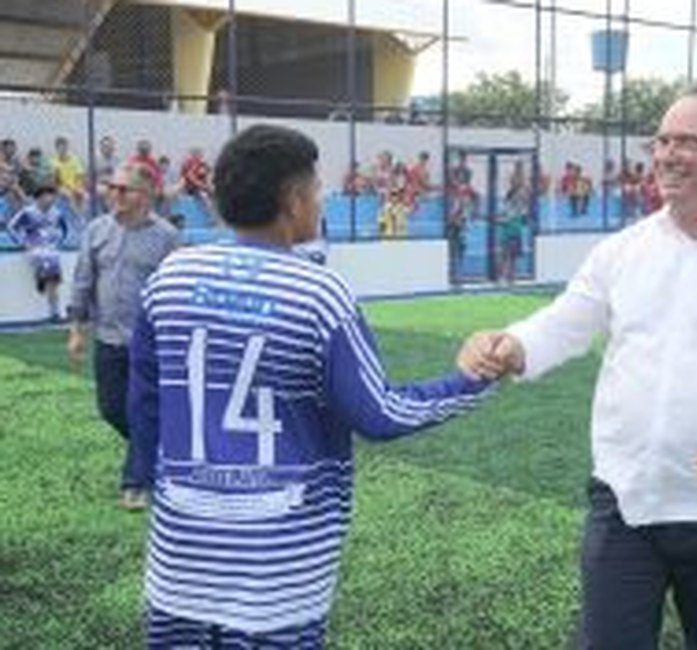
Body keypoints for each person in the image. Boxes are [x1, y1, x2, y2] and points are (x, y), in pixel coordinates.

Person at [459, 84, 697, 649]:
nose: (667, 154)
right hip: (626, 500)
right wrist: (509, 344)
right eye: (662, 140)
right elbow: (566, 321)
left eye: (689, 141)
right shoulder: (625, 249)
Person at [127, 123, 493, 649]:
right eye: (317, 189)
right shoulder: (317, 293)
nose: (320, 200)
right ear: (292, 200)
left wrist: (158, 478)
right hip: (277, 572)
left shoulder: (170, 277)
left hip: (180, 559)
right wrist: (468, 382)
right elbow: (379, 414)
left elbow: (144, 403)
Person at [67, 162, 181, 510]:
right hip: (108, 338)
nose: (113, 194)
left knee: (141, 407)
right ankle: (162, 452)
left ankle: (136, 484)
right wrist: (76, 330)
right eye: (111, 187)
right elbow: (83, 281)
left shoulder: (167, 237)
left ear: (145, 195)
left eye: (122, 189)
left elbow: (175, 289)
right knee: (112, 409)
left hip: (150, 343)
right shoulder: (96, 230)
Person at [7, 185, 69, 321]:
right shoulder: (28, 212)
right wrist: (22, 242)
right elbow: (11, 227)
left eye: (53, 196)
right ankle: (53, 307)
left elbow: (65, 229)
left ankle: (53, 309)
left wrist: (60, 242)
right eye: (48, 195)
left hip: (50, 249)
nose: (51, 199)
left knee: (52, 270)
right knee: (50, 265)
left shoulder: (57, 213)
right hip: (34, 248)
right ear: (39, 198)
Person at [50, 136, 86, 216]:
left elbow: (80, 176)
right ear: (57, 149)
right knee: (67, 195)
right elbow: (54, 181)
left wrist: (78, 187)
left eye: (64, 147)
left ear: (67, 147)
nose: (63, 150)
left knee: (83, 195)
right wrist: (61, 187)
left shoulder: (75, 160)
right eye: (60, 148)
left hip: (74, 186)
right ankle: (76, 216)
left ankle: (82, 216)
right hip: (61, 187)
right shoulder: (53, 162)